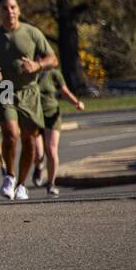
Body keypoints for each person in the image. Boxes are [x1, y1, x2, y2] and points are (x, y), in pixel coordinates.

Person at [0, 0, 58, 200]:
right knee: (11, 134)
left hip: (29, 89)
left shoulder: (32, 32)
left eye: (13, 7)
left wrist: (37, 65)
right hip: (5, 88)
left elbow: (52, 59)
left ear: (18, 10)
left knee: (29, 139)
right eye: (4, 8)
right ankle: (9, 175)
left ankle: (21, 184)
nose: (9, 11)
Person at [37, 66, 84, 194]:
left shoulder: (53, 74)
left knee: (51, 150)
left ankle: (51, 183)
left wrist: (76, 103)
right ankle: (39, 167)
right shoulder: (28, 73)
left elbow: (65, 92)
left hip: (52, 114)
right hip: (35, 116)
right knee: (38, 153)